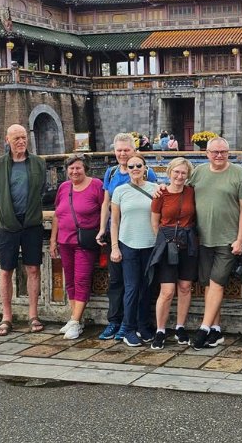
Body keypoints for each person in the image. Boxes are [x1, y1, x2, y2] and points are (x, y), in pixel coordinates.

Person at [189, 137, 242, 349]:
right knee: (208, 285)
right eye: (215, 152)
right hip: (202, 238)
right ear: (207, 153)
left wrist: (240, 239)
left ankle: (203, 328)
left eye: (223, 152)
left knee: (217, 283)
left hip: (227, 239)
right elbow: (181, 192)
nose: (219, 155)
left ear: (228, 153)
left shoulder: (239, 174)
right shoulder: (198, 172)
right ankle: (215, 330)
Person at [96, 133, 158, 341]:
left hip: (145, 239)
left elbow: (156, 205)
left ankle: (135, 324)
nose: (123, 154)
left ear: (134, 151)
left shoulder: (149, 176)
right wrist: (102, 229)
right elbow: (106, 204)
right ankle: (117, 322)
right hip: (121, 238)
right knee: (117, 282)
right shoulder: (112, 172)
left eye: (126, 150)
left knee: (142, 285)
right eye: (119, 150)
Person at [0, 124, 47, 336]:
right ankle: (7, 316)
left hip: (31, 223)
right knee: (6, 271)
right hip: (7, 225)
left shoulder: (39, 163)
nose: (21, 142)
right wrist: (5, 210)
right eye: (16, 139)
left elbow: (42, 189)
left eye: (23, 137)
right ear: (7, 140)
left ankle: (33, 314)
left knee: (33, 269)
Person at [50, 153, 104, 340]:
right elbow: (57, 215)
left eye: (78, 168)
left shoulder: (96, 185)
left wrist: (102, 232)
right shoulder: (64, 187)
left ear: (85, 169)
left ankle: (74, 321)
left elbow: (105, 211)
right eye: (71, 168)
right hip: (64, 241)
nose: (74, 171)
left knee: (81, 279)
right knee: (70, 281)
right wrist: (53, 240)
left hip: (85, 242)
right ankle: (76, 320)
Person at [149, 157, 198, 349]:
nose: (179, 176)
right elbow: (154, 223)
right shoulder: (160, 194)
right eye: (176, 172)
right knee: (167, 291)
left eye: (183, 173)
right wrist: (163, 242)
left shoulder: (191, 192)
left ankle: (180, 327)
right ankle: (160, 330)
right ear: (169, 172)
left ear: (188, 175)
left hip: (188, 242)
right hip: (167, 243)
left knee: (185, 287)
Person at [110, 151, 158, 346]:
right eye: (131, 166)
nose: (135, 169)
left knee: (147, 287)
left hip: (150, 244)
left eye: (139, 165)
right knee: (131, 288)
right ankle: (128, 328)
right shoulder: (120, 191)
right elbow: (114, 221)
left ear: (145, 168)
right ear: (127, 169)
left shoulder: (156, 189)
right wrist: (114, 247)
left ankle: (143, 325)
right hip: (128, 244)